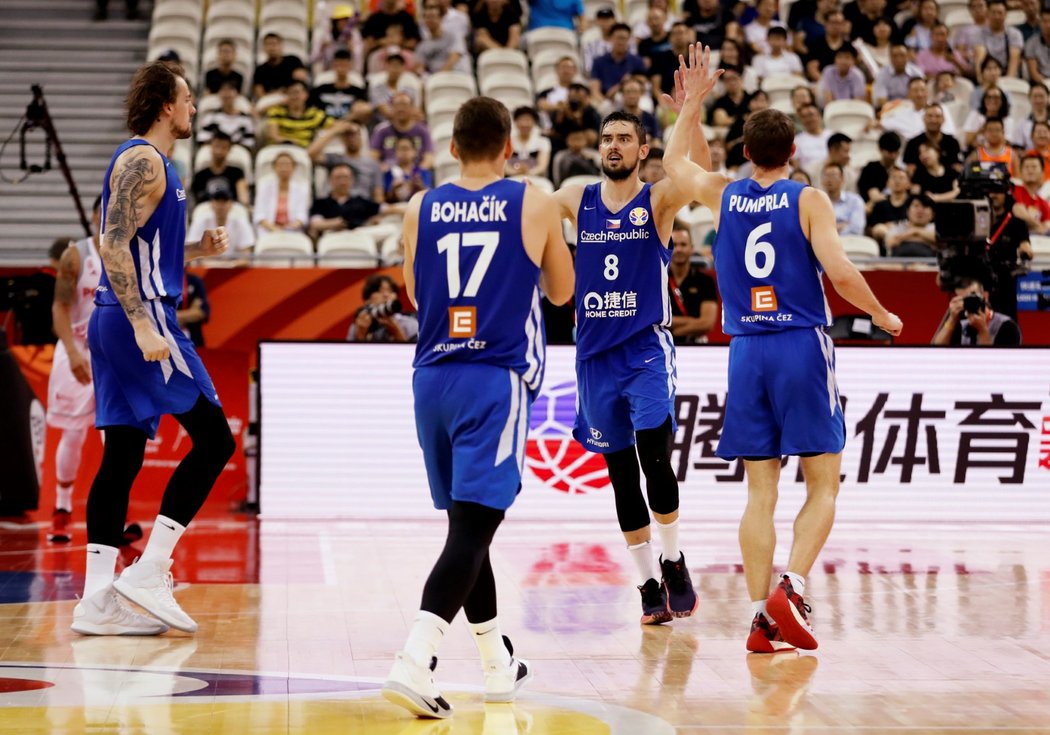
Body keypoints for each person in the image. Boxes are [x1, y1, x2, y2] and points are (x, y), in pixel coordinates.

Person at [665, 45, 902, 653]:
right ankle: (791, 587)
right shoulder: (807, 199)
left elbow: (673, 163)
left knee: (759, 491)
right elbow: (843, 273)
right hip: (799, 343)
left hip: (745, 351)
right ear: (794, 153)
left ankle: (758, 615)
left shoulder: (724, 193)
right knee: (823, 483)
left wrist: (691, 105)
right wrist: (880, 314)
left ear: (745, 153)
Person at [381, 96, 574, 719]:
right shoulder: (534, 200)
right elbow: (563, 291)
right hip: (494, 378)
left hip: (431, 378)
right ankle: (416, 657)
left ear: (453, 147)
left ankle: (497, 663)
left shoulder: (421, 205)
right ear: (509, 147)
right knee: (471, 530)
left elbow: (413, 290)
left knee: (469, 527)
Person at [73, 61, 235, 637]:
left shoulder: (158, 165)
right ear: (167, 105)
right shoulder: (143, 159)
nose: (194, 108)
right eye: (188, 99)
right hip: (138, 317)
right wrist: (144, 325)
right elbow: (111, 242)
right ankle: (151, 569)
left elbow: (142, 248)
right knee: (216, 439)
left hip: (118, 314)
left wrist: (194, 250)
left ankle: (96, 601)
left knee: (121, 456)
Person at [551, 68, 711, 626]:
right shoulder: (577, 197)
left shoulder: (658, 201)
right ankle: (646, 583)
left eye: (623, 139)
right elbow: (529, 216)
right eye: (606, 139)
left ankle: (673, 560)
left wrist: (688, 111)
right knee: (620, 477)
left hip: (645, 350)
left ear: (644, 149)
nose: (612, 146)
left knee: (654, 459)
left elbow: (699, 177)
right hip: (594, 359)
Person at [46, 198, 103, 543]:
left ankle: (115, 517)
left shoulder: (133, 252)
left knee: (119, 438)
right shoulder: (76, 255)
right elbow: (59, 307)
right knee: (74, 433)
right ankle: (62, 508)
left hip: (115, 354)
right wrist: (71, 351)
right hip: (78, 349)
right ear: (98, 214)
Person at [931, 277, 1022, 345]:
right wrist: (951, 319)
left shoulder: (1007, 325)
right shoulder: (959, 323)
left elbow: (995, 363)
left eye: (972, 298)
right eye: (963, 300)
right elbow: (937, 352)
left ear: (985, 296)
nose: (969, 303)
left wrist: (982, 330)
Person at [667, 228, 718, 345]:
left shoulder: (705, 281)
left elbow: (707, 323)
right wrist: (693, 322)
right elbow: (656, 320)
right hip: (665, 345)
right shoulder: (659, 280)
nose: (679, 249)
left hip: (697, 346)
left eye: (683, 244)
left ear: (691, 248)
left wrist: (675, 331)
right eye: (674, 245)